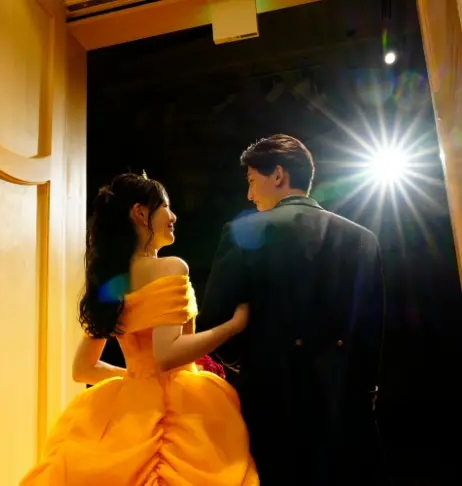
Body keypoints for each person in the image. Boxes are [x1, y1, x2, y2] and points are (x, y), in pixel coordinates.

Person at [20, 173, 258, 486]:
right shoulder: (171, 267)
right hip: (182, 406)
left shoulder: (111, 281)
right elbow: (167, 354)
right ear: (140, 213)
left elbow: (83, 369)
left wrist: (138, 379)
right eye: (166, 207)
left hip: (129, 411)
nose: (173, 216)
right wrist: (233, 326)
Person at [196, 134, 387, 485]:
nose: (249, 195)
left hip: (272, 398)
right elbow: (370, 330)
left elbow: (215, 320)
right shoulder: (363, 238)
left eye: (252, 181)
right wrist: (364, 389)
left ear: (278, 175)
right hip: (344, 402)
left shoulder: (242, 232)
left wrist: (246, 362)